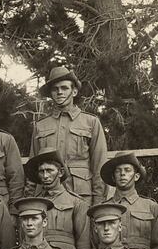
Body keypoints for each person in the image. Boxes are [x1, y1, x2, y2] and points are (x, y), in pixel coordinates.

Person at [30, 65, 108, 201]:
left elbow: (99, 166)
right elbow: (33, 167)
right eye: (55, 89)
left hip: (81, 196)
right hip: (47, 196)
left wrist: (98, 201)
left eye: (64, 88)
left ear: (74, 92)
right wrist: (30, 199)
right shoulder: (40, 126)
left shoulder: (91, 122)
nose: (59, 92)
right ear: (51, 94)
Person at [25, 150, 93, 249]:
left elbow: (83, 244)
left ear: (60, 172)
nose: (45, 176)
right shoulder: (33, 203)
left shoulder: (76, 203)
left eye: (50, 170)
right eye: (41, 171)